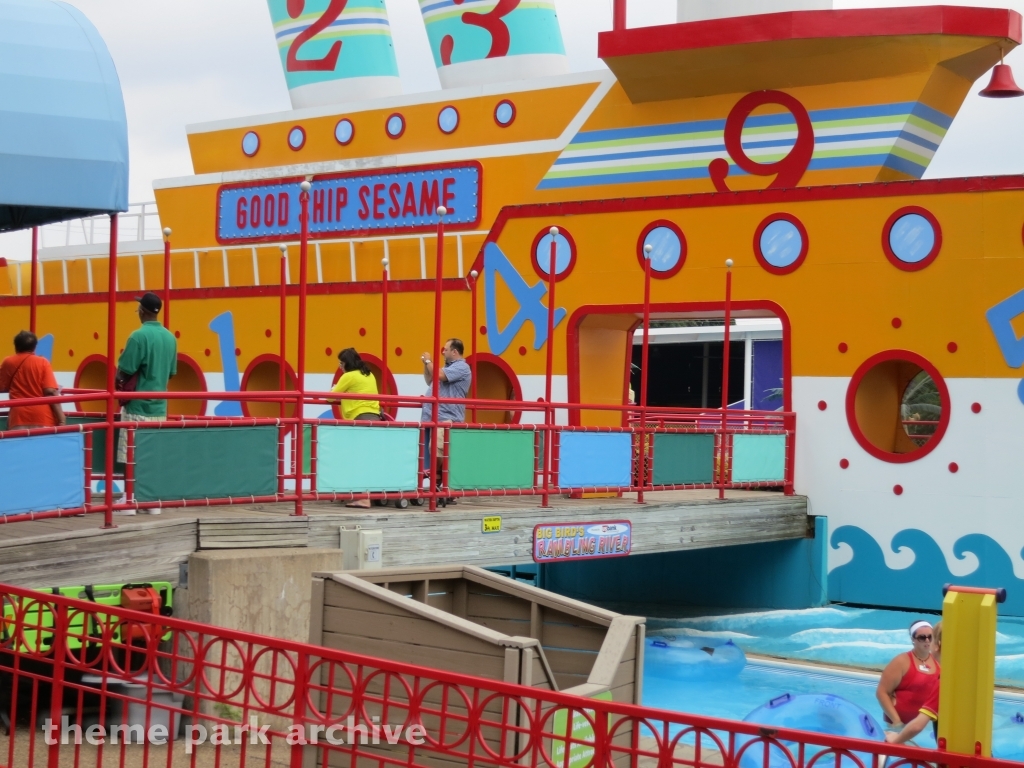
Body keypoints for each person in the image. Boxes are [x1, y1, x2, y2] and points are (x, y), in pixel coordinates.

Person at [115, 292, 177, 513]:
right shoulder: (170, 338)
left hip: (137, 404)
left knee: (129, 452)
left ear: (142, 311)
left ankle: (129, 499)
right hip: (159, 406)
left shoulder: (137, 337)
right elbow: (171, 373)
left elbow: (124, 371)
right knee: (151, 453)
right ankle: (151, 501)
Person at [420, 338, 471, 504]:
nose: (443, 352)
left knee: (437, 449)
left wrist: (429, 361)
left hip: (447, 417)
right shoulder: (448, 368)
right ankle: (441, 485)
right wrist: (426, 365)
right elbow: (430, 380)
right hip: (434, 417)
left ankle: (439, 484)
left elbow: (439, 376)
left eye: (446, 349)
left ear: (455, 352)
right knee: (434, 451)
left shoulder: (461, 367)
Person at [876, 620, 940, 729]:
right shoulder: (901, 662)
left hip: (924, 726)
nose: (927, 640)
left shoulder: (938, 662)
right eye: (922, 637)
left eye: (930, 637)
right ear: (913, 639)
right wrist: (897, 722)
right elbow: (881, 692)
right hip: (899, 725)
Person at [0, 331, 66, 429]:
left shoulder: (8, 362)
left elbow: (2, 386)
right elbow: (50, 392)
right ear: (34, 347)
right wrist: (61, 419)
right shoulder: (43, 362)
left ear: (16, 346)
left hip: (18, 418)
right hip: (43, 417)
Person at [331, 349, 382, 421]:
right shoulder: (370, 374)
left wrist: (334, 389)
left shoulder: (348, 376)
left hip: (358, 416)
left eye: (341, 363)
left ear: (348, 363)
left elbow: (330, 397)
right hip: (376, 416)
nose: (340, 366)